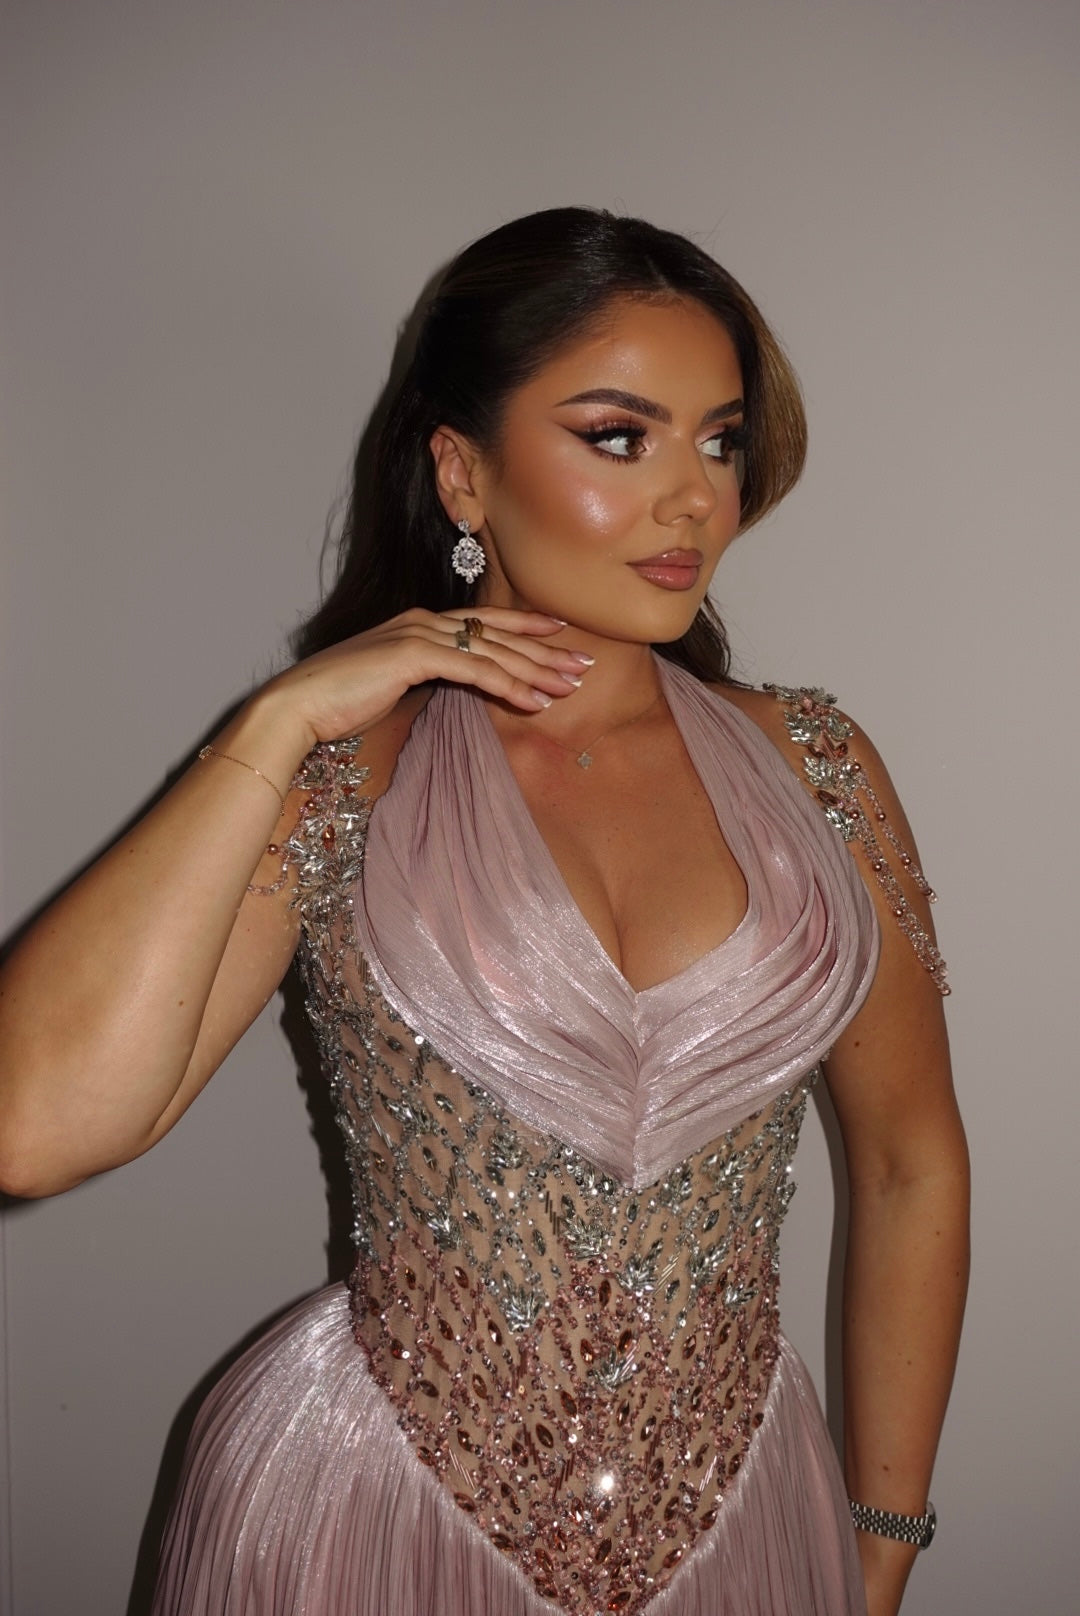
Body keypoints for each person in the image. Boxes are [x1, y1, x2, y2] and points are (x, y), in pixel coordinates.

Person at [0, 208, 969, 1616]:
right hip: (367, 1515)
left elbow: (909, 1163)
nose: (695, 500)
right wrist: (277, 722)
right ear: (463, 473)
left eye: (720, 442)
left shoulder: (817, 764)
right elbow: (34, 1129)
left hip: (748, 1524)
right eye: (620, 437)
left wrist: (880, 1539)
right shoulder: (346, 773)